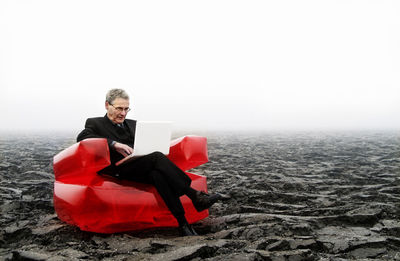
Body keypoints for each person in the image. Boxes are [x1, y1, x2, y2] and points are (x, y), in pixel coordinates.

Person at [77, 88, 221, 236]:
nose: (123, 113)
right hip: (117, 169)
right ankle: (194, 195)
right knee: (157, 157)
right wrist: (114, 144)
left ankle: (183, 223)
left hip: (139, 165)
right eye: (119, 108)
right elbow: (83, 138)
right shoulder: (95, 123)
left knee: (157, 175)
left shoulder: (133, 124)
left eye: (126, 109)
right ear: (107, 105)